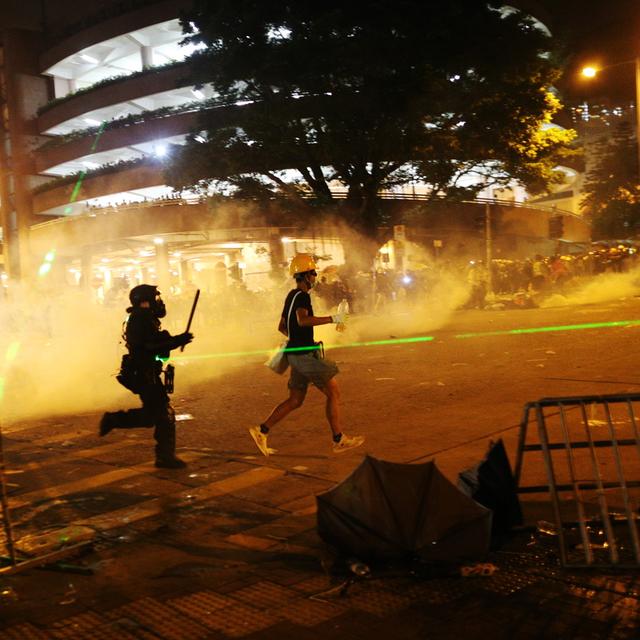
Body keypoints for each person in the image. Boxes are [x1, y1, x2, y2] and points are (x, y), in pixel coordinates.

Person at [250, 254, 364, 456]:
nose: (314, 277)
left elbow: (283, 327)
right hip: (304, 355)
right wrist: (333, 318)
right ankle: (339, 439)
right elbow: (302, 321)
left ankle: (262, 430)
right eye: (312, 273)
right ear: (303, 275)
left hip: (296, 353)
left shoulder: (290, 296)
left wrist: (296, 339)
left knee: (295, 400)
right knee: (333, 392)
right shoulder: (302, 297)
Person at [99, 284, 194, 469]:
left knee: (155, 415)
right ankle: (164, 457)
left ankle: (163, 455)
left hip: (146, 371)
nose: (158, 302)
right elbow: (150, 346)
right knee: (162, 415)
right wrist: (176, 341)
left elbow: (155, 344)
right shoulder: (139, 319)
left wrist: (174, 340)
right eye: (154, 299)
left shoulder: (144, 317)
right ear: (144, 302)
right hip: (142, 373)